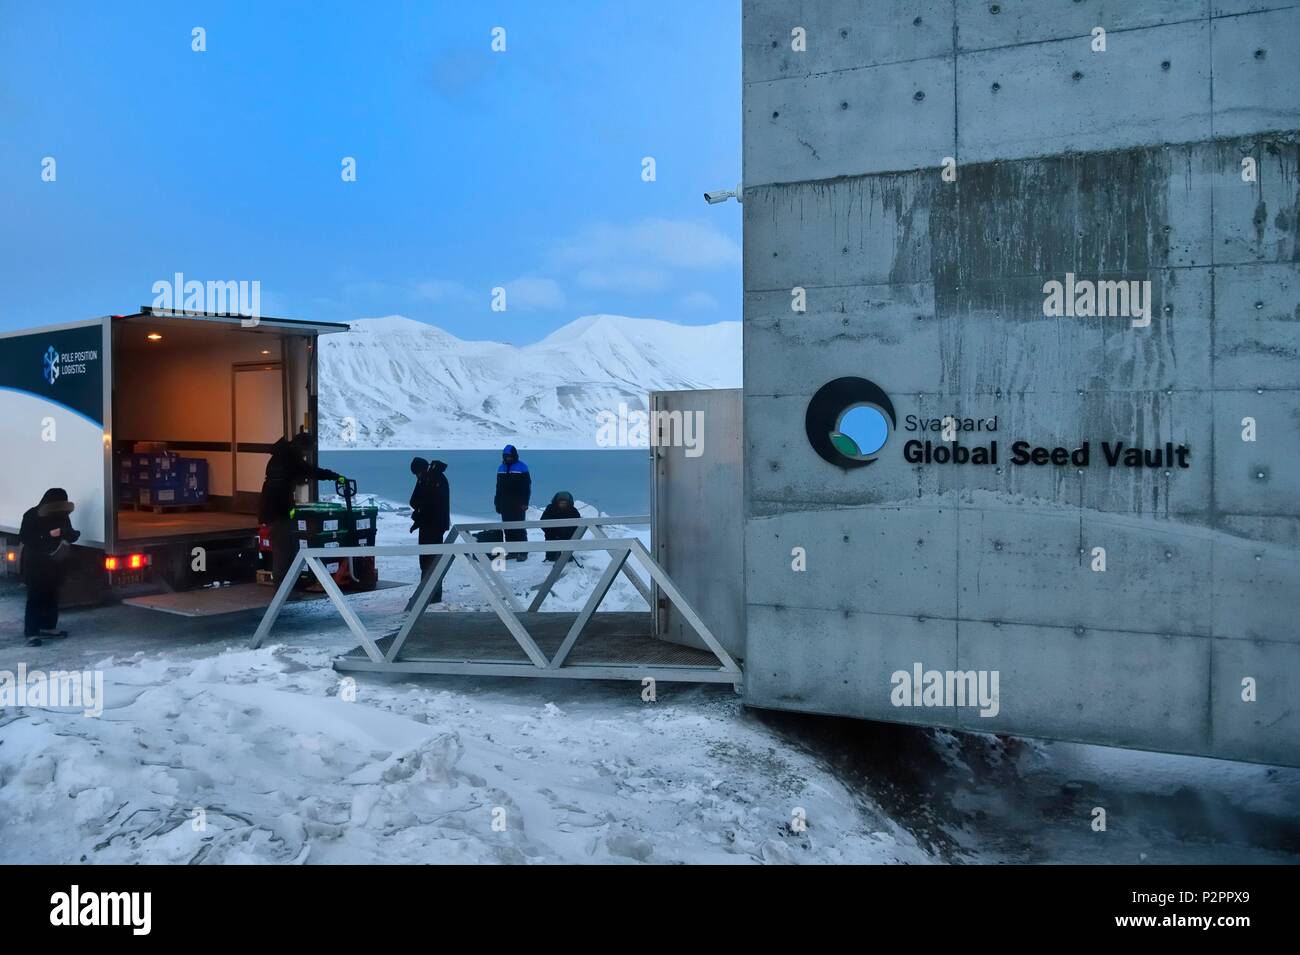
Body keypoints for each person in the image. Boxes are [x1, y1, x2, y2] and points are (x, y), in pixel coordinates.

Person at [259, 431, 341, 583]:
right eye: (306, 451)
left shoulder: (278, 457)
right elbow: (312, 472)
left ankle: (286, 588)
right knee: (283, 552)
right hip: (278, 512)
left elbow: (288, 479)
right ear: (300, 446)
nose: (305, 455)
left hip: (272, 509)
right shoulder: (290, 459)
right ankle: (282, 591)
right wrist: (336, 476)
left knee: (285, 550)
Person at [19, 488, 80, 645]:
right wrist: (48, 535)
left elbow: (70, 533)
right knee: (35, 597)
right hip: (36, 563)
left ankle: (48, 627)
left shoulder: (62, 515)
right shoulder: (32, 514)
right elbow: (25, 537)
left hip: (55, 562)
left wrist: (70, 534)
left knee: (52, 596)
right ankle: (31, 633)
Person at [409, 457, 450, 601]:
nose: (417, 476)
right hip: (427, 524)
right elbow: (416, 501)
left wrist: (420, 516)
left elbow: (432, 504)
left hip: (435, 526)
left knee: (431, 560)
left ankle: (432, 594)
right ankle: (426, 591)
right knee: (425, 560)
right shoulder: (426, 478)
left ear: (422, 469)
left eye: (417, 473)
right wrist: (418, 518)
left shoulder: (436, 479)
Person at [494, 444, 531, 560]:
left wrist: (525, 502)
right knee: (508, 527)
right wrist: (497, 503)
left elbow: (527, 486)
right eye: (506, 456)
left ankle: (523, 552)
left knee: (519, 527)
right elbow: (498, 487)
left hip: (518, 502)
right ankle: (512, 551)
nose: (508, 458)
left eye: (510, 456)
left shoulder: (522, 467)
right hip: (505, 503)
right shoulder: (501, 468)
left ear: (514, 455)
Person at [540, 491, 581, 562]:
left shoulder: (573, 511)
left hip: (567, 536)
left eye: (565, 503)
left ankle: (567, 555)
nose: (563, 504)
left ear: (568, 502)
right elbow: (543, 522)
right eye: (561, 503)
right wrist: (553, 533)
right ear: (557, 502)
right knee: (551, 558)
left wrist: (567, 532)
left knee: (567, 558)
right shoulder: (550, 509)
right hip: (551, 536)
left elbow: (578, 524)